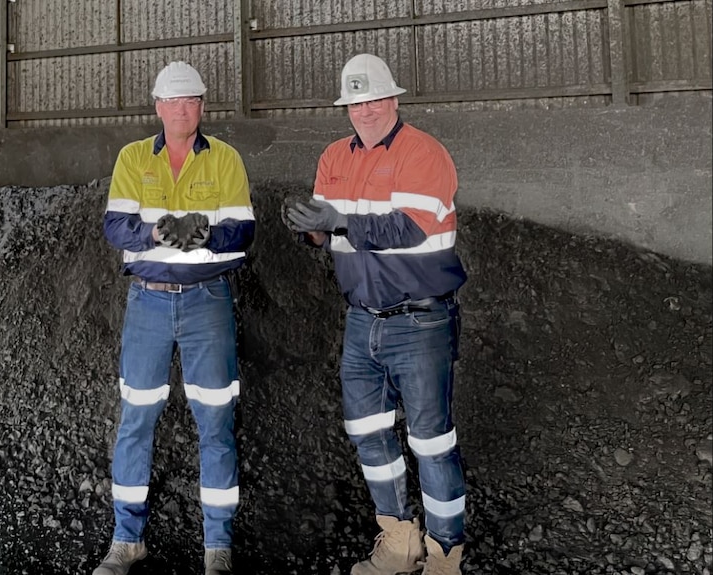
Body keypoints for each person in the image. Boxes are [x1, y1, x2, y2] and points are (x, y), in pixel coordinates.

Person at [282, 53, 467, 575]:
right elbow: (327, 232)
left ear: (392, 99)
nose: (363, 111)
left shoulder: (423, 153)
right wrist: (310, 226)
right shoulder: (333, 156)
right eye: (353, 103)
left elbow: (406, 227)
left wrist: (339, 218)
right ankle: (400, 542)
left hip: (420, 320)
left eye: (371, 100)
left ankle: (445, 557)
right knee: (369, 432)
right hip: (362, 319)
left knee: (431, 441)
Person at [96, 61, 255, 575]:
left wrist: (207, 234)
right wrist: (158, 233)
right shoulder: (132, 158)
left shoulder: (225, 160)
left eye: (192, 101)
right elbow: (116, 226)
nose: (183, 110)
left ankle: (217, 549)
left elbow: (244, 232)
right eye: (174, 101)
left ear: (202, 107)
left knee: (215, 422)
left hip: (207, 303)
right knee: (136, 418)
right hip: (148, 303)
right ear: (158, 106)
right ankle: (126, 539)